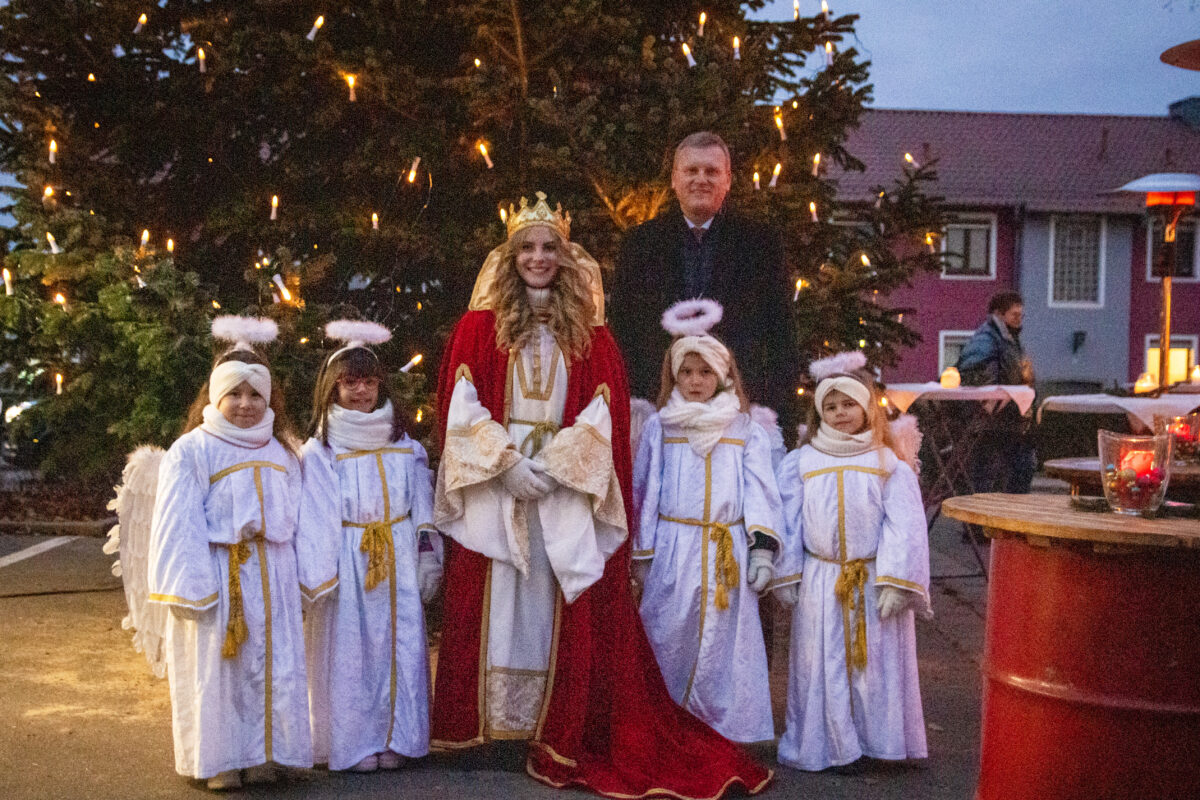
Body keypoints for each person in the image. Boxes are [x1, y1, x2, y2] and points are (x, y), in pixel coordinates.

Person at [432, 192, 771, 798]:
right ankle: (490, 728)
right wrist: (505, 465)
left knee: (550, 598)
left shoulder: (591, 334)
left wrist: (556, 468)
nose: (538, 259)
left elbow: (602, 414)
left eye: (550, 249)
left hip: (562, 493)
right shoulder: (476, 327)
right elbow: (461, 405)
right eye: (527, 249)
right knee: (499, 595)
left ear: (566, 257)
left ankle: (549, 725)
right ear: (509, 257)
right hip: (497, 488)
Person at [148, 316, 311, 791]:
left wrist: (301, 580)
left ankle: (266, 753)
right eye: (234, 394)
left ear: (269, 399)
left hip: (272, 572)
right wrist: (192, 589)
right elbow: (177, 524)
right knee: (217, 673)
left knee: (273, 667)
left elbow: (298, 521)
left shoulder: (284, 453)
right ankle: (219, 759)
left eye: (254, 395)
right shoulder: (192, 451)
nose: (244, 404)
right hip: (220, 575)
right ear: (215, 397)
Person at [631, 298, 786, 743]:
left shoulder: (744, 430)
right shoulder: (662, 427)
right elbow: (646, 490)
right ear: (674, 376)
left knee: (725, 642)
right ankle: (666, 722)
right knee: (667, 632)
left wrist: (761, 549)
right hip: (674, 545)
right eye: (686, 372)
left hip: (725, 549)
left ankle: (726, 727)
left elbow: (760, 490)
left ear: (722, 376)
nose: (695, 381)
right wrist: (643, 553)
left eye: (705, 373)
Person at [773, 351, 930, 772]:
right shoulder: (802, 463)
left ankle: (879, 742)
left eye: (848, 404)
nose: (841, 413)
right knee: (821, 664)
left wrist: (897, 581)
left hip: (872, 578)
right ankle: (830, 746)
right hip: (821, 578)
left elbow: (905, 526)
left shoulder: (886, 464)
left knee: (874, 665)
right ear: (820, 412)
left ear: (865, 408)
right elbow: (787, 520)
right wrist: (787, 573)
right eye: (831, 406)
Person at [296, 320, 441, 773]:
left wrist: (428, 558)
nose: (360, 392)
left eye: (369, 382)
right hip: (348, 559)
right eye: (349, 383)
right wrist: (320, 574)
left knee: (398, 648)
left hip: (396, 556)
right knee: (352, 653)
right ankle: (355, 742)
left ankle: (399, 736)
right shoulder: (321, 452)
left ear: (382, 385)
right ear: (332, 387)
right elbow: (316, 515)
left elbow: (422, 510)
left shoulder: (406, 448)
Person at [611, 131, 797, 434]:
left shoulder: (760, 244)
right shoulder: (640, 245)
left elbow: (781, 335)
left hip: (737, 411)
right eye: (691, 170)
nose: (701, 179)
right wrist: (635, 406)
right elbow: (624, 332)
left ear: (727, 180)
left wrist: (768, 407)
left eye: (712, 171)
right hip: (660, 413)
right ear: (674, 179)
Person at [955, 290, 1036, 494]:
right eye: (1014, 315)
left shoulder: (1008, 340)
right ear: (999, 315)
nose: (1019, 320)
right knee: (994, 473)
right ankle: (984, 522)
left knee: (1015, 470)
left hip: (1007, 420)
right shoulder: (987, 339)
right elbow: (975, 370)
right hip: (993, 421)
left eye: (1021, 316)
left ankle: (1001, 520)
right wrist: (992, 402)